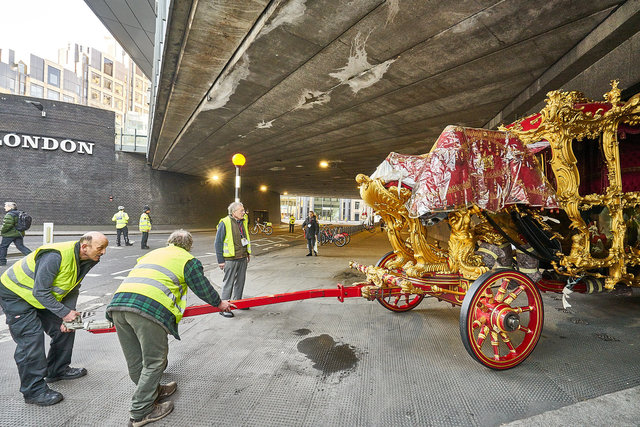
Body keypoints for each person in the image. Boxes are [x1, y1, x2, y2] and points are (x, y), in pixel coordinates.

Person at [107, 229, 235, 427]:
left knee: (135, 359)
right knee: (154, 361)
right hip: (148, 310)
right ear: (188, 245)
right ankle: (141, 411)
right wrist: (219, 303)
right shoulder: (187, 260)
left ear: (169, 242)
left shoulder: (151, 254)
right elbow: (202, 287)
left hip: (118, 306)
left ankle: (153, 391)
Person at [0, 232, 109, 406]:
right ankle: (33, 391)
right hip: (16, 295)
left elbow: (73, 287)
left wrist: (69, 314)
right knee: (31, 340)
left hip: (40, 296)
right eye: (100, 248)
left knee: (66, 328)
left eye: (105, 248)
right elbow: (40, 291)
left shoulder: (89, 259)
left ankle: (57, 370)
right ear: (84, 247)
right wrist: (64, 313)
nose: (103, 252)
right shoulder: (54, 256)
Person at [214, 202, 251, 318]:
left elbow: (245, 238)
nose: (244, 212)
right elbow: (218, 242)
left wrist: (247, 253)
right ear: (234, 212)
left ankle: (237, 302)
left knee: (240, 281)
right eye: (241, 210)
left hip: (242, 257)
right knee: (228, 283)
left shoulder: (243, 221)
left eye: (243, 210)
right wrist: (220, 260)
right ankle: (224, 307)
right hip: (230, 259)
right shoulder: (225, 222)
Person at [0, 202, 32, 266]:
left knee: (3, 247)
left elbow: (7, 225)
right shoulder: (19, 213)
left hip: (10, 234)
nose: (4, 207)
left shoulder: (9, 214)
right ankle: (33, 257)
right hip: (19, 233)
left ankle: (2, 261)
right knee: (20, 246)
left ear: (10, 207)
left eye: (5, 206)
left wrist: (2, 231)